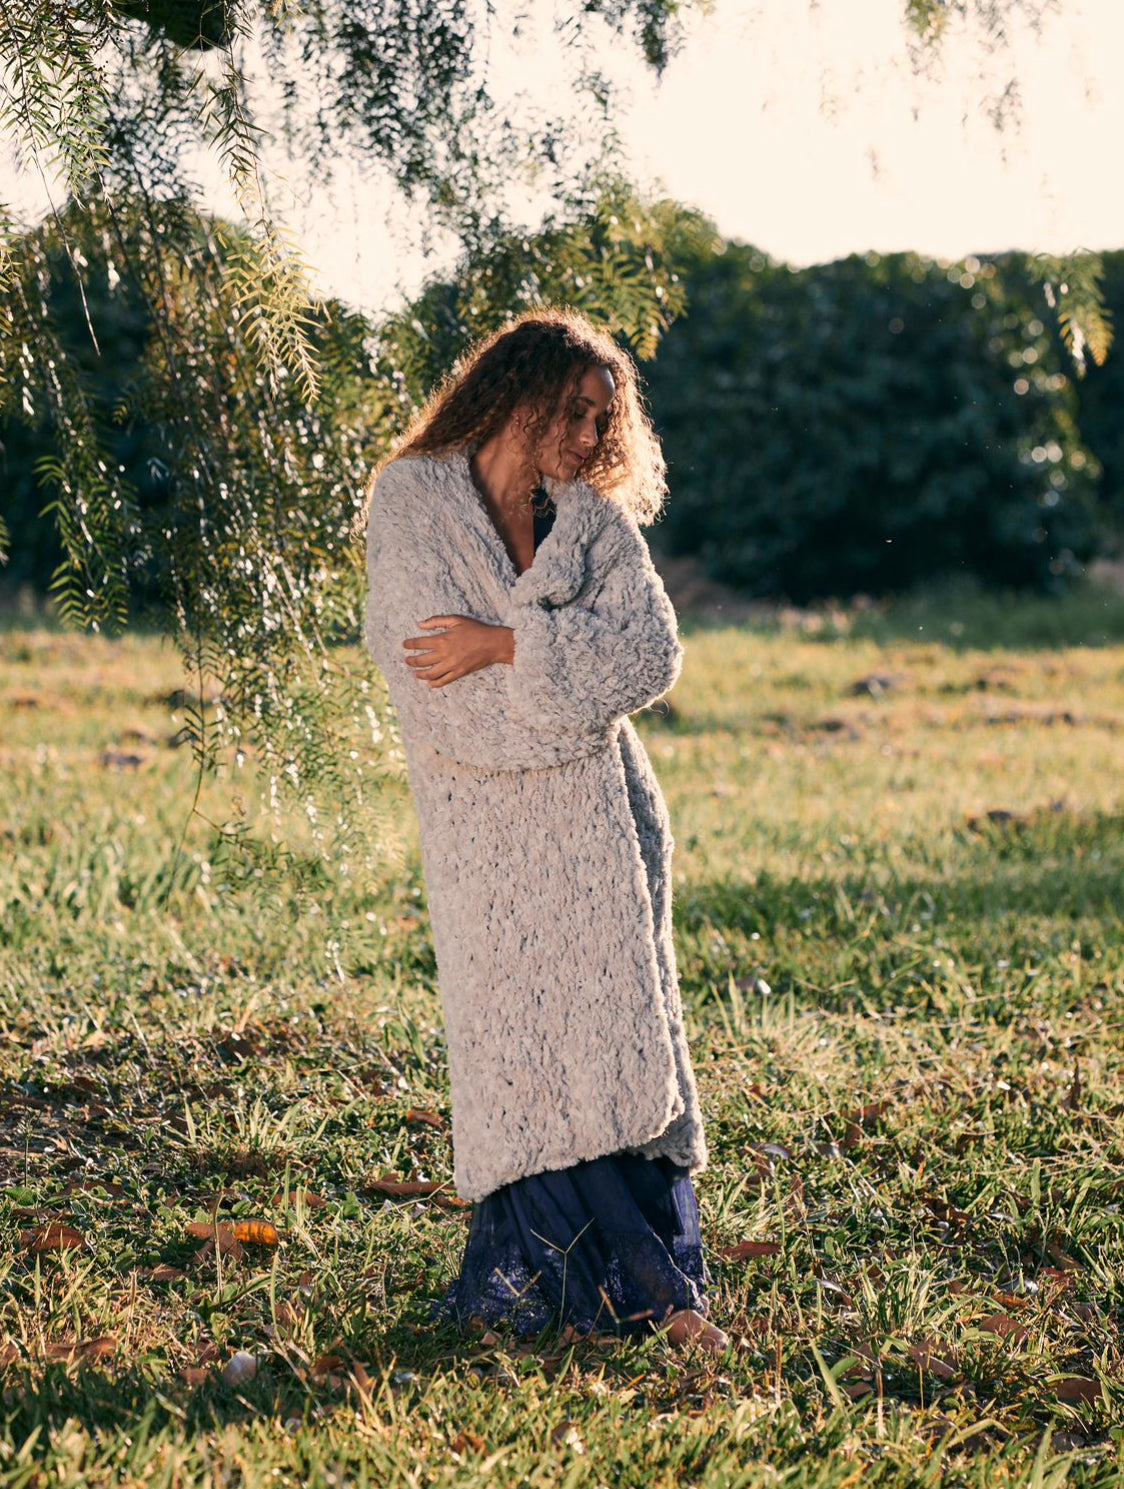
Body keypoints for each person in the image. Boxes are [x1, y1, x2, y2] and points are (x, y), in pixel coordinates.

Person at [363, 307, 729, 1355]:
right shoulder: (412, 503)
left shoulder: (591, 519)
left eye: (602, 418)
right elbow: (432, 692)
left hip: (608, 831)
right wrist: (553, 678)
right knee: (523, 1047)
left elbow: (651, 657)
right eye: (571, 409)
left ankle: (659, 1295)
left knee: (618, 1044)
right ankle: (540, 1291)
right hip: (486, 836)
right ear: (511, 391)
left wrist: (504, 643)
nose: (585, 435)